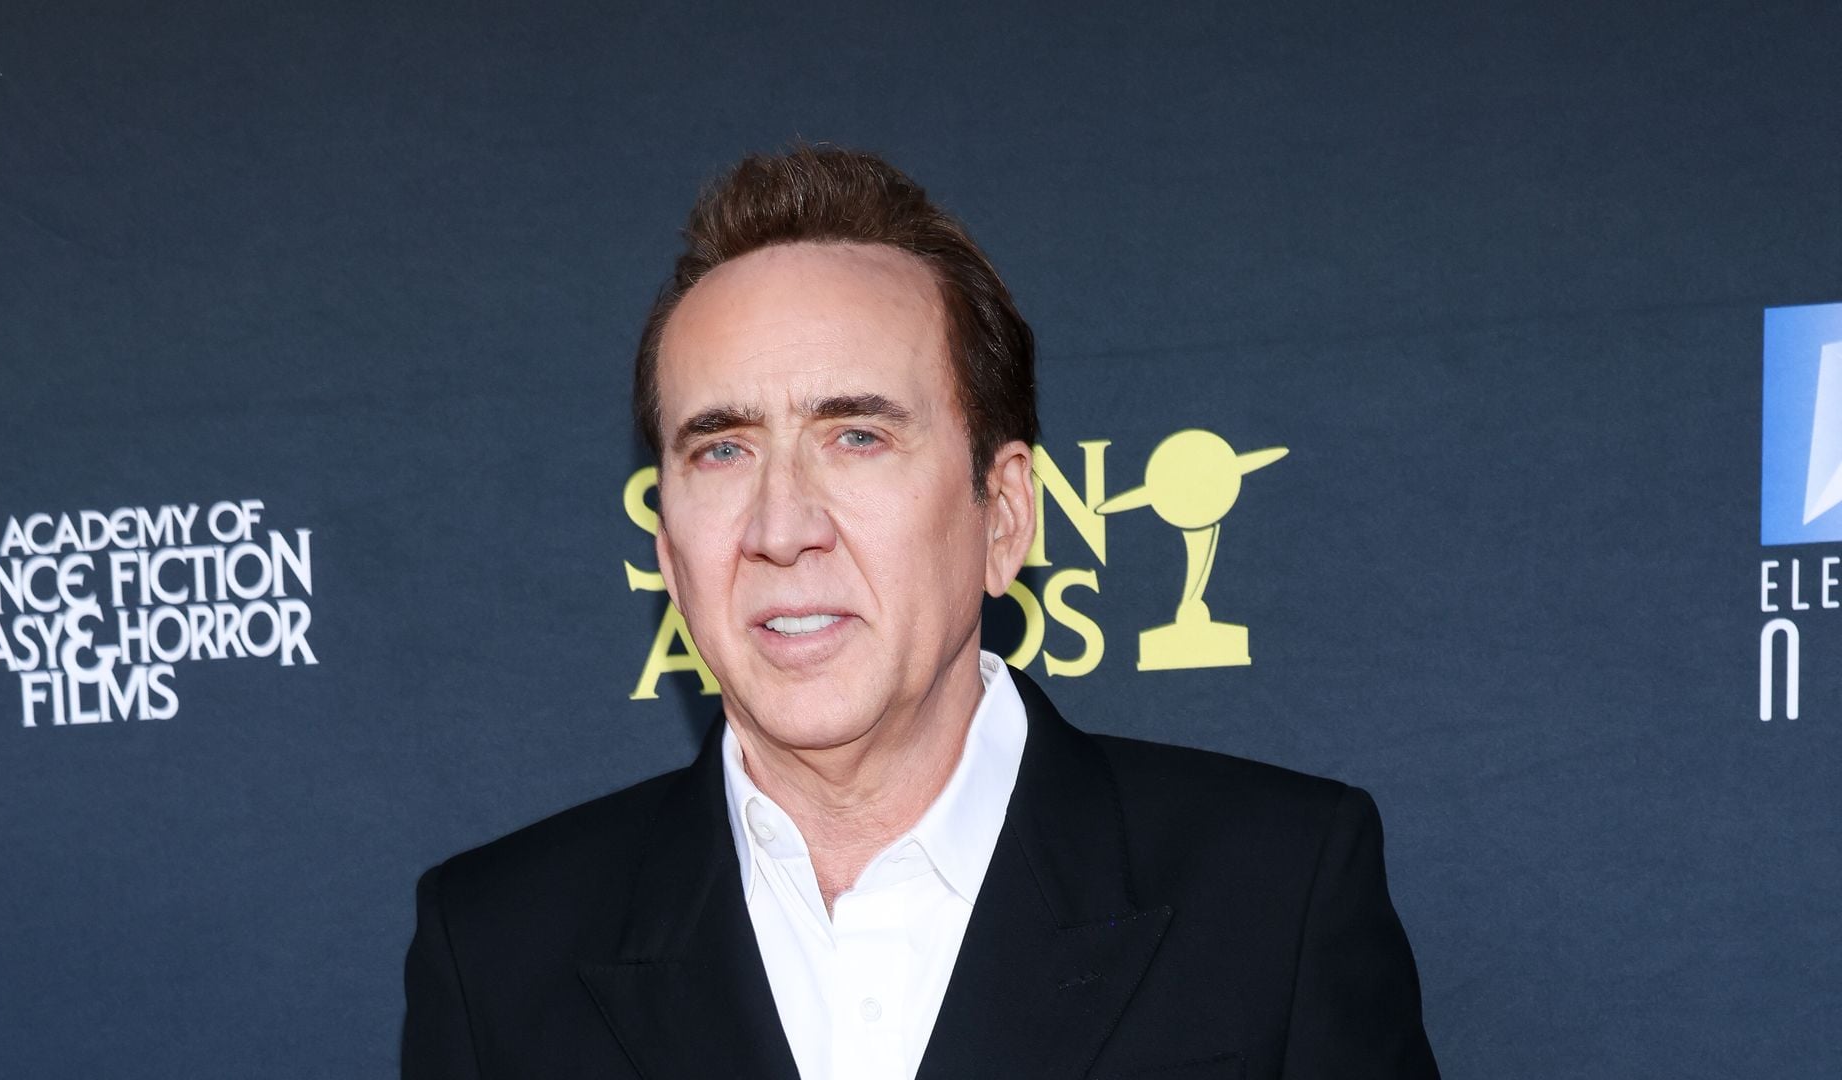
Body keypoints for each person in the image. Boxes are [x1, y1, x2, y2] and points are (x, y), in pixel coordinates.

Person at [402, 145, 1439, 1080]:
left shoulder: (1277, 893)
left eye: (856, 437)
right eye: (721, 450)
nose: (781, 526)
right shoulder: (496, 951)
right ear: (670, 554)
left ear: (1006, 517)